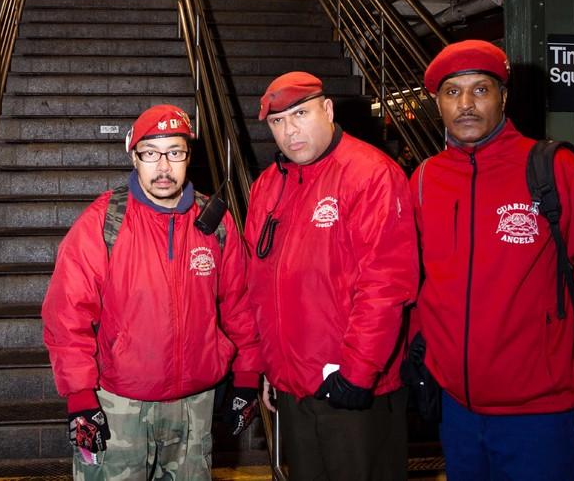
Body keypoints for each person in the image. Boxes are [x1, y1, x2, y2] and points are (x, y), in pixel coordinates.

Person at [412, 40, 574, 480]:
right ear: (437, 103)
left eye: (481, 90)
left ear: (503, 97)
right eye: (452, 93)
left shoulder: (555, 170)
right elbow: (418, 282)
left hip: (540, 412)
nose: (466, 105)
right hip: (456, 409)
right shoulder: (423, 180)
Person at [41, 104, 262, 480]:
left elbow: (239, 304)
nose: (163, 167)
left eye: (174, 152)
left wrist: (247, 375)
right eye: (151, 153)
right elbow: (67, 314)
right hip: (119, 406)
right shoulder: (103, 223)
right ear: (134, 156)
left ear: (188, 156)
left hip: (195, 407)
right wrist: (80, 396)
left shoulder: (216, 223)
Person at [243, 71, 419, 480]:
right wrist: (269, 366)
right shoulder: (268, 186)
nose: (290, 131)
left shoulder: (371, 173)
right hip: (293, 384)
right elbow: (258, 283)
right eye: (278, 121)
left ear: (327, 109)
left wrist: (357, 374)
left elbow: (385, 284)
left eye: (300, 114)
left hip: (355, 385)